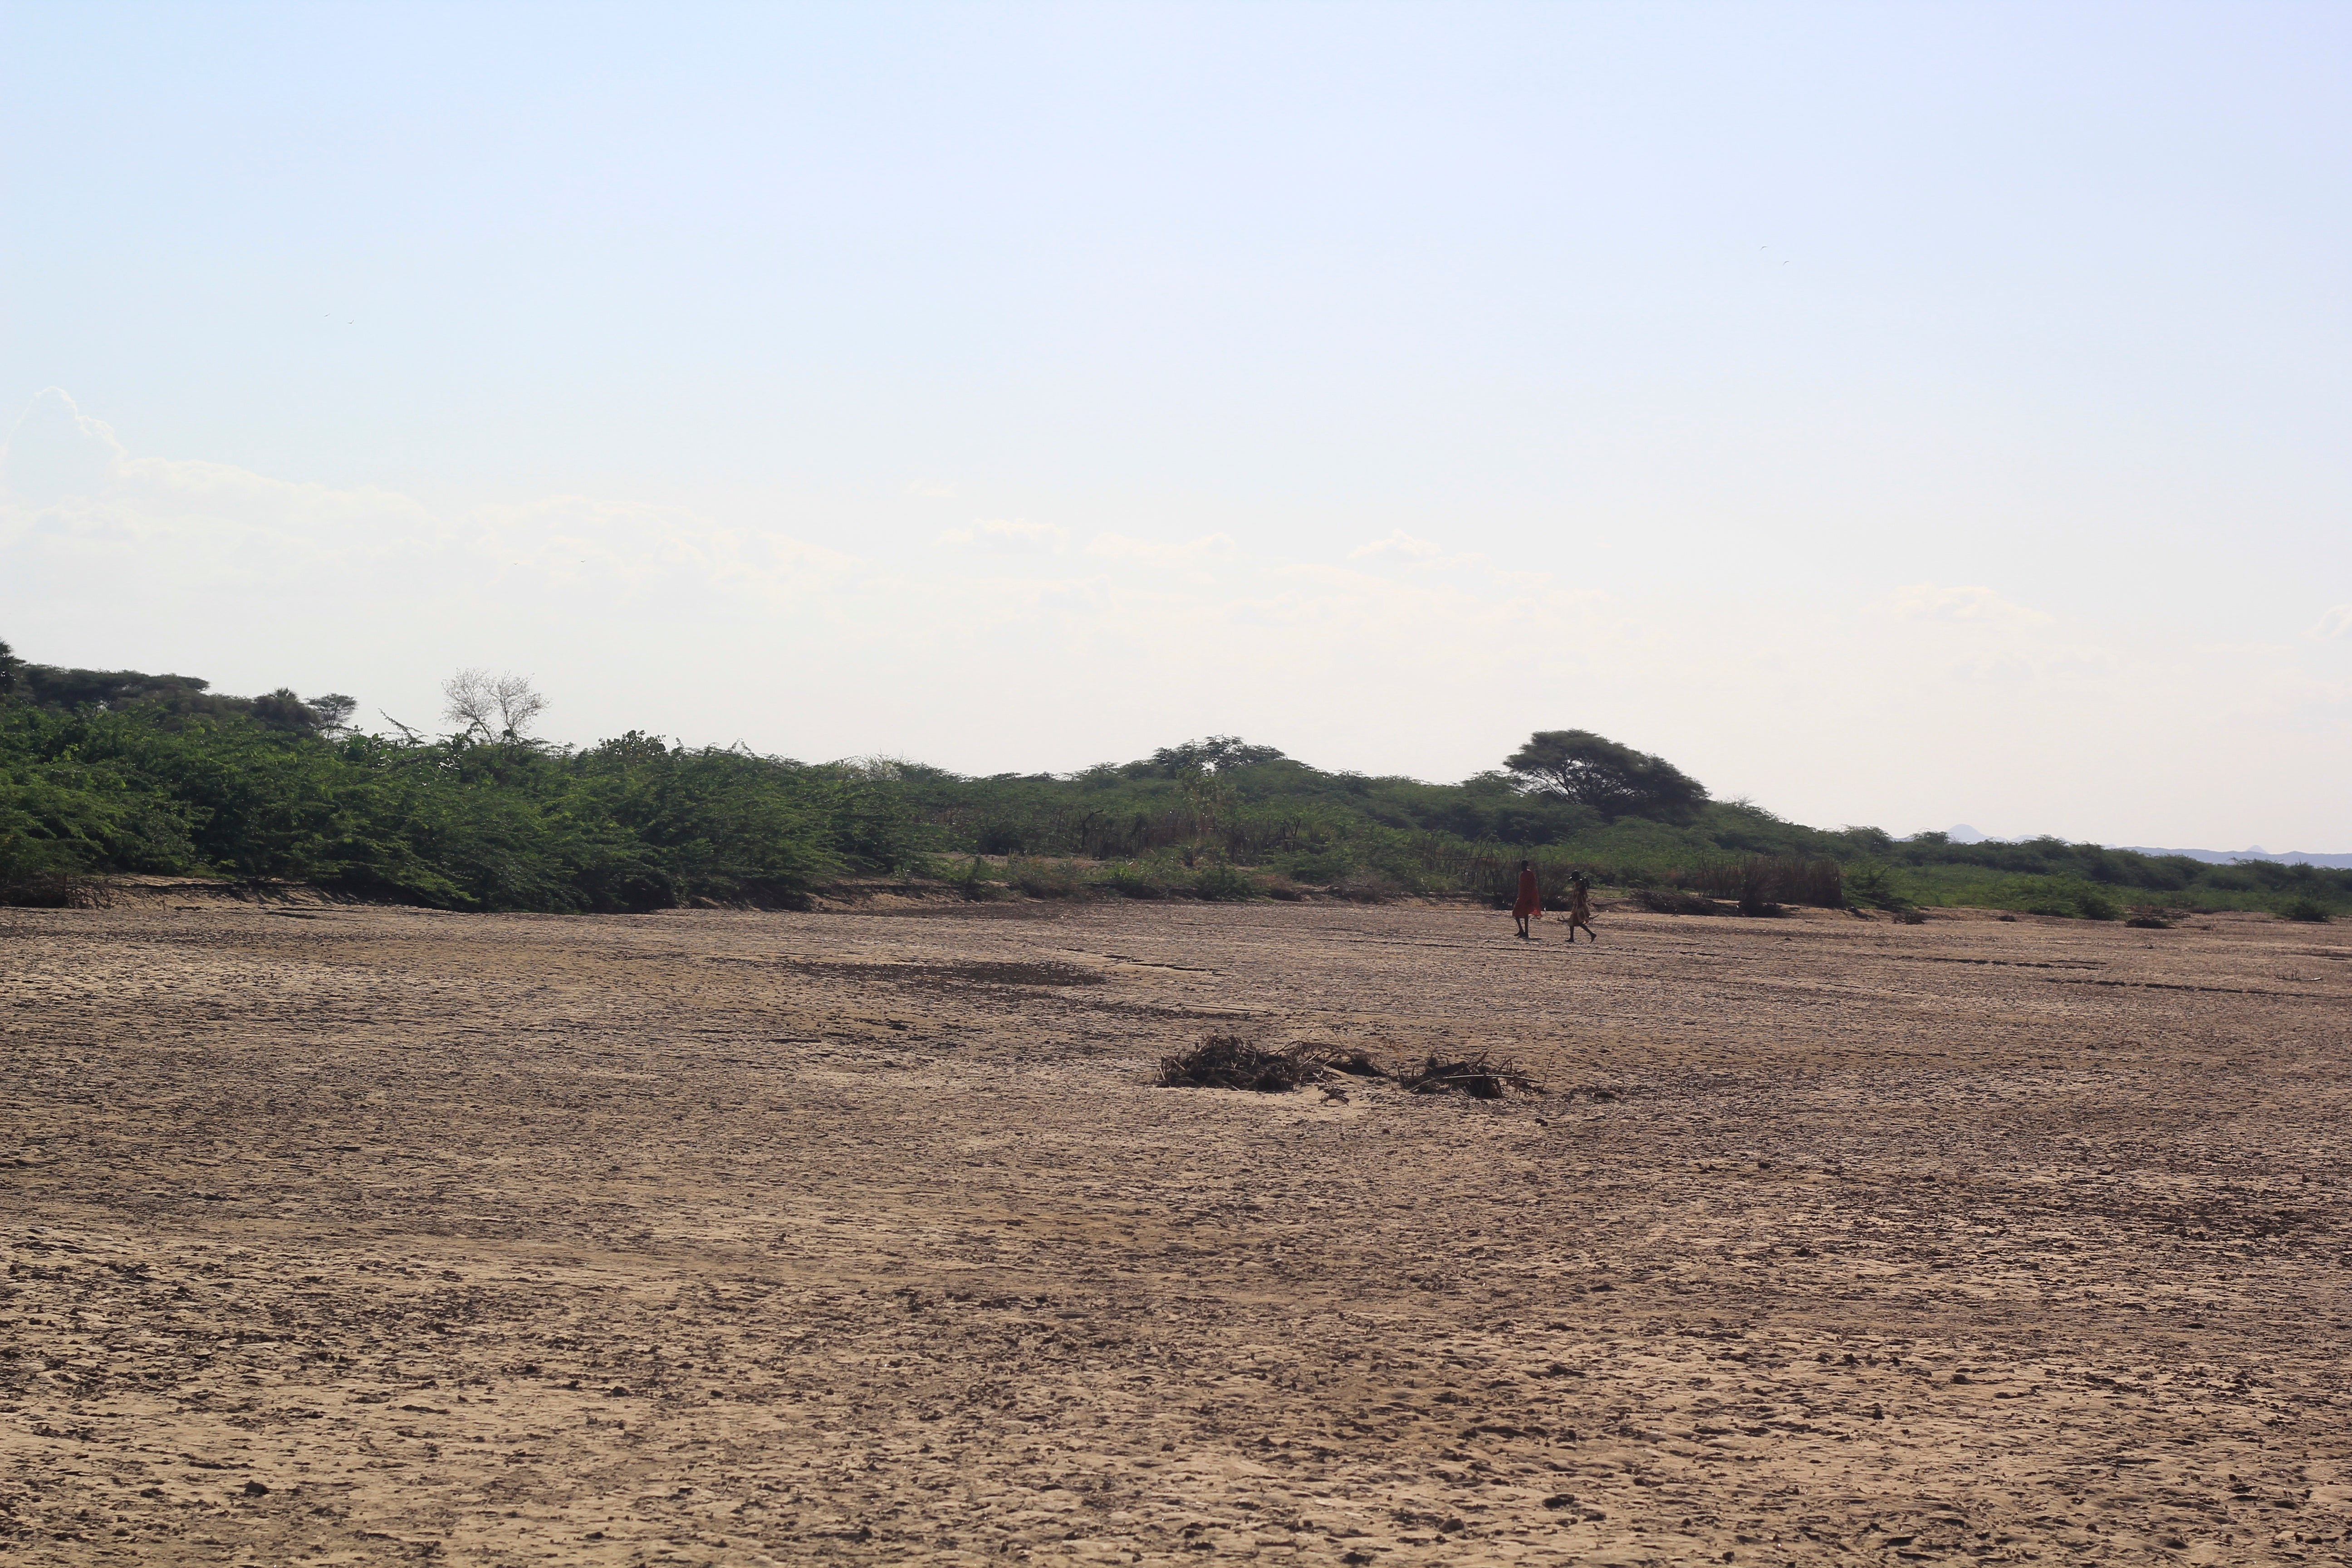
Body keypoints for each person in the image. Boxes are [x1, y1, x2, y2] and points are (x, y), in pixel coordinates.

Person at [1563, 869, 1598, 943]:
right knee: (1574, 922)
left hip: (1579, 905)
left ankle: (1591, 934)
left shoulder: (1578, 884)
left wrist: (1577, 905)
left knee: (1573, 922)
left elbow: (1579, 895)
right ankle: (1574, 938)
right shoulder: (1581, 883)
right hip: (1580, 904)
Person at [1511, 858, 1541, 940]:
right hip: (1522, 896)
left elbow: (1532, 886)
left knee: (1525, 914)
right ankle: (1522, 930)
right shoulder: (1522, 874)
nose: (1522, 867)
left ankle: (1526, 932)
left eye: (1524, 865)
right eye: (1522, 865)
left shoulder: (1529, 874)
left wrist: (1531, 897)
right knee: (1516, 914)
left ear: (1526, 866)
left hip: (1528, 896)